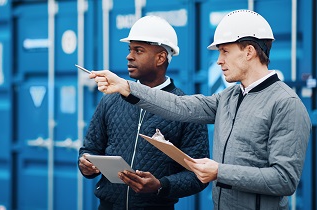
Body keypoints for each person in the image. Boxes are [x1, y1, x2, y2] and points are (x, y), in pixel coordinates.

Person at [89, 10, 311, 210]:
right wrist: (126, 87)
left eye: (224, 51)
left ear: (249, 51)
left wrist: (219, 172)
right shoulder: (229, 97)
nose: (219, 61)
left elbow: (285, 179)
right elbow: (180, 106)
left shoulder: (286, 104)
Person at [78, 15, 209, 210]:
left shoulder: (186, 108)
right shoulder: (110, 100)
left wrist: (160, 186)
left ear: (160, 57)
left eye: (138, 50)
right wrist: (86, 165)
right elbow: (89, 149)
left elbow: (198, 176)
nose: (129, 56)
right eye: (130, 49)